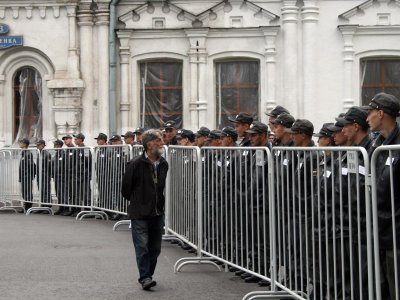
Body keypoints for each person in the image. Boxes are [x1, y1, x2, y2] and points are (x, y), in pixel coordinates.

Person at [121, 129, 168, 290]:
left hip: (157, 212)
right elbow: (126, 189)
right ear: (149, 145)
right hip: (139, 212)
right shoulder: (135, 164)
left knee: (155, 248)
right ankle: (145, 277)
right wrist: (138, 202)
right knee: (142, 246)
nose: (162, 143)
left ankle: (148, 273)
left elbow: (160, 187)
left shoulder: (163, 164)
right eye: (159, 140)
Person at [365, 92, 400, 300]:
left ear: (381, 113)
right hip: (378, 230)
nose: (367, 118)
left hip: (395, 233)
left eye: (370, 113)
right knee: (381, 288)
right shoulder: (376, 144)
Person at [18, 138, 36, 211]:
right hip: (23, 176)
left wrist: (31, 176)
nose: (20, 144)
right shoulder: (23, 153)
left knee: (27, 192)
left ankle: (28, 207)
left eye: (21, 142)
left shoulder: (28, 153)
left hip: (27, 176)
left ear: (25, 144)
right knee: (24, 192)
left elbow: (32, 165)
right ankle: (26, 207)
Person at [36, 139, 52, 211]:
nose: (37, 146)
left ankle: (47, 205)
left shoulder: (47, 154)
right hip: (40, 176)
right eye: (37, 145)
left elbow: (49, 166)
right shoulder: (39, 153)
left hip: (45, 175)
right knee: (41, 190)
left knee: (46, 191)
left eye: (39, 145)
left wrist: (47, 175)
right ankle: (42, 205)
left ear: (43, 145)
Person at [52, 139, 67, 215]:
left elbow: (65, 166)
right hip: (57, 177)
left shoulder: (63, 154)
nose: (54, 146)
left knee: (63, 193)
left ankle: (65, 208)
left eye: (55, 145)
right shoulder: (56, 154)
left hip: (62, 177)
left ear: (59, 145)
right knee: (58, 193)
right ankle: (61, 207)